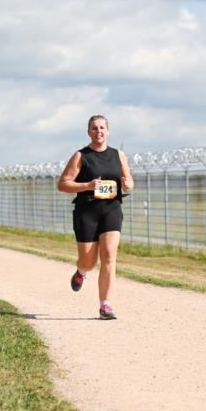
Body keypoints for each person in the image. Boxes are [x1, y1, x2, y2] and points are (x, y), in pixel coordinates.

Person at [57, 115, 134, 320]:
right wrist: (88, 185)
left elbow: (128, 181)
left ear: (108, 131)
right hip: (87, 211)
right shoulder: (81, 156)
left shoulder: (118, 155)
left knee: (109, 255)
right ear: (89, 132)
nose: (98, 131)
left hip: (112, 208)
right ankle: (81, 272)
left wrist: (128, 185)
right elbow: (63, 184)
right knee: (88, 262)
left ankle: (105, 305)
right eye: (94, 128)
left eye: (102, 128)